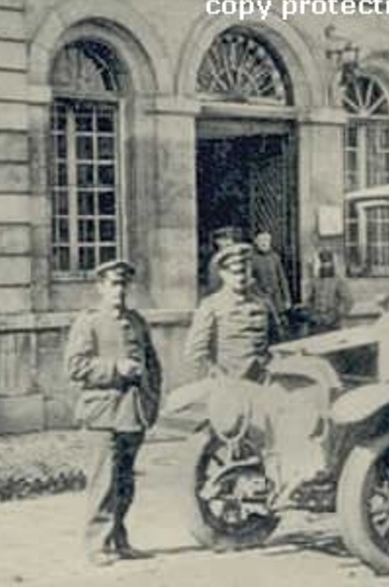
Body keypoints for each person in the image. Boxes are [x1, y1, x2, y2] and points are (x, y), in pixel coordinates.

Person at [63, 258, 163, 567]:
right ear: (100, 287)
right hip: (102, 413)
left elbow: (153, 365)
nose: (118, 290)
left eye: (123, 284)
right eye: (112, 284)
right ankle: (96, 544)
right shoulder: (88, 322)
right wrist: (115, 368)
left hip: (131, 413)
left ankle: (119, 540)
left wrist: (151, 401)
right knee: (102, 482)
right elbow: (75, 367)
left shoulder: (136, 321)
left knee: (124, 483)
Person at [185, 242, 274, 381]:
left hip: (262, 385)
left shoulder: (262, 304)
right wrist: (216, 374)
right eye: (235, 272)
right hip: (226, 385)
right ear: (223, 274)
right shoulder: (211, 306)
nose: (241, 278)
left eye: (245, 271)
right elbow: (195, 353)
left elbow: (274, 344)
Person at [248, 230, 294, 339]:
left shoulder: (275, 257)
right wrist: (260, 296)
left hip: (277, 300)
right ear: (256, 242)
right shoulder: (251, 259)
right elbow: (250, 282)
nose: (265, 243)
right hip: (262, 301)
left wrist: (287, 299)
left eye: (267, 240)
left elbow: (282, 279)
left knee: (280, 330)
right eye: (261, 240)